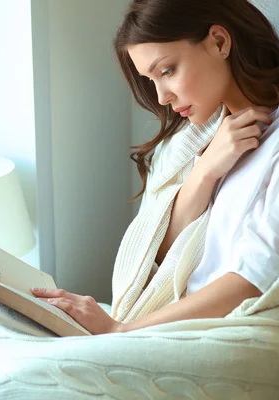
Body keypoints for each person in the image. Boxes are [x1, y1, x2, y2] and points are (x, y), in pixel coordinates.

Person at [31, 0, 279, 335]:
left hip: (217, 333)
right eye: (151, 79)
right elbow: (158, 252)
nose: (162, 97)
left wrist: (120, 332)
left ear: (219, 42)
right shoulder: (203, 140)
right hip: (168, 323)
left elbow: (253, 281)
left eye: (167, 70)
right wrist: (204, 172)